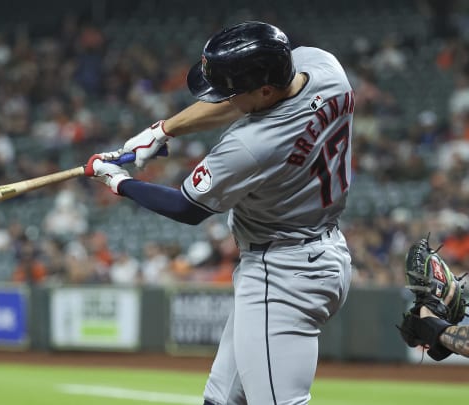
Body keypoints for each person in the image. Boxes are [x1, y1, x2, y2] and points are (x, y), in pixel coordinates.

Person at [85, 21, 354, 404]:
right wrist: (163, 129)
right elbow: (240, 102)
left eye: (231, 91)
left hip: (283, 273)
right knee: (222, 398)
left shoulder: (251, 145)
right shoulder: (324, 68)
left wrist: (118, 182)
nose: (222, 99)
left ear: (264, 89)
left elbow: (186, 208)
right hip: (317, 248)